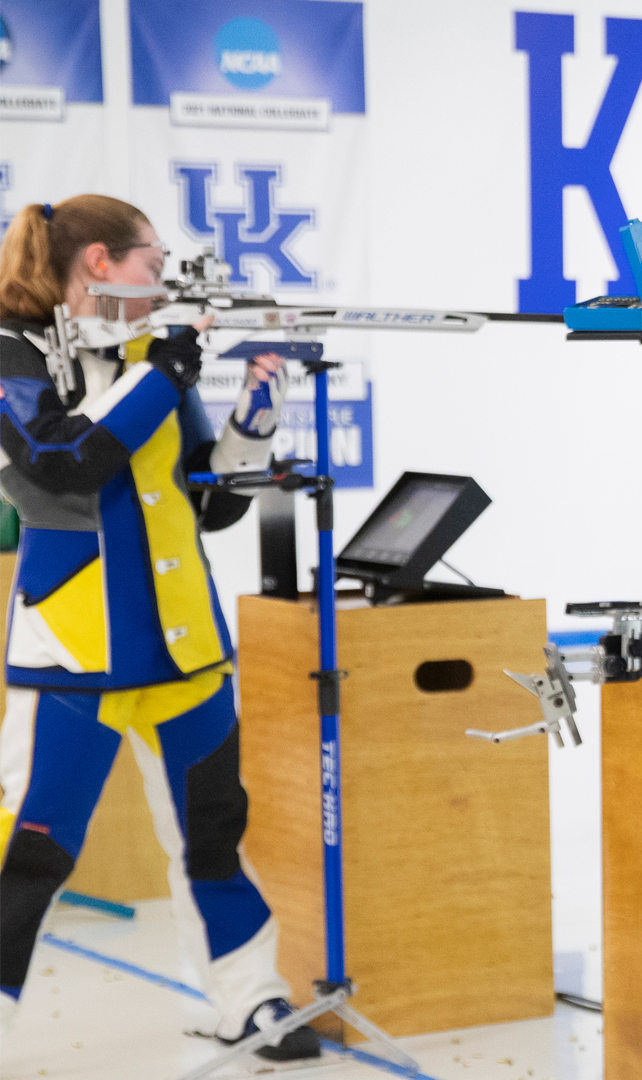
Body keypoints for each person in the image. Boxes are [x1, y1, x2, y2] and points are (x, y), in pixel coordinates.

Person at [0, 196, 315, 1060]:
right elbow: (62, 461)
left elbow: (209, 502)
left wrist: (254, 419)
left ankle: (248, 999)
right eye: (153, 263)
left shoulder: (147, 360)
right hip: (75, 651)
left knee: (213, 835)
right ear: (99, 262)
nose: (164, 282)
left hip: (185, 648)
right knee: (30, 852)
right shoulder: (11, 351)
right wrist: (166, 373)